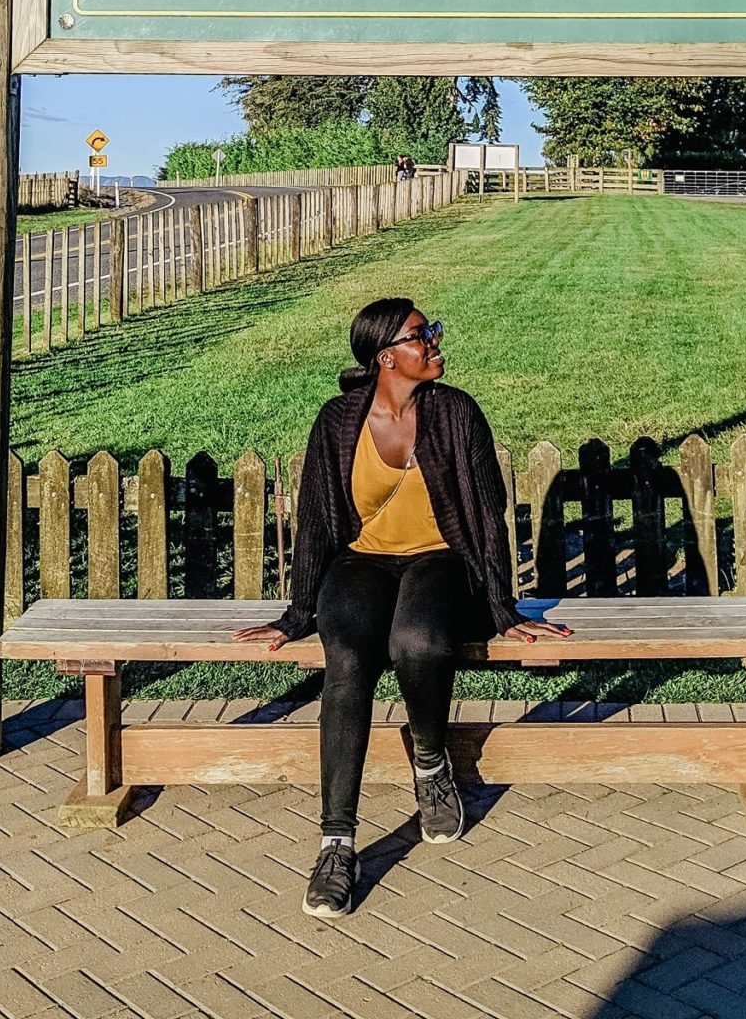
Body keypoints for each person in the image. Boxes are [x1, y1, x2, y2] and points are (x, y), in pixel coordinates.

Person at [234, 296, 571, 919]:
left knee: (418, 641)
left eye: (431, 331)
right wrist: (295, 614)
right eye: (423, 335)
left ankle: (430, 757)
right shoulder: (338, 422)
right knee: (351, 659)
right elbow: (314, 524)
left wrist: (504, 608)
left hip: (440, 559)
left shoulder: (455, 414)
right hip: (360, 561)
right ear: (387, 356)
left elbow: (486, 515)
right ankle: (337, 843)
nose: (435, 341)